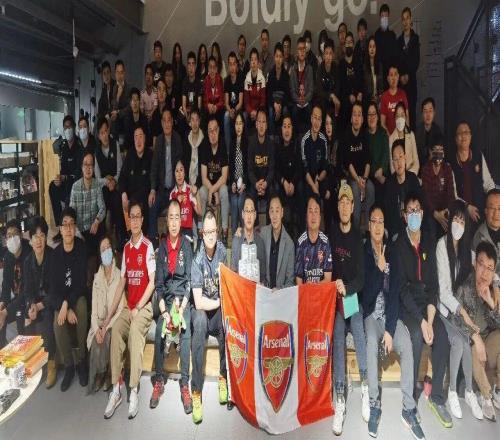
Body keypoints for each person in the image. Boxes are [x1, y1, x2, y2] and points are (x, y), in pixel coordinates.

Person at [362, 205, 425, 439]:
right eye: (374, 221)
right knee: (370, 342)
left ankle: (408, 409)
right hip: (371, 315)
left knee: (406, 343)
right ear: (369, 226)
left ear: (384, 226)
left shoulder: (393, 253)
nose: (378, 226)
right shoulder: (364, 252)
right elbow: (366, 298)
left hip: (390, 317)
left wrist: (390, 330)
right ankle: (374, 403)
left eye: (381, 221)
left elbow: (396, 294)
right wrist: (379, 271)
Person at [394, 192, 452, 428]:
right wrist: (421, 321)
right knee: (417, 336)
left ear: (422, 212)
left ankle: (436, 397)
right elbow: (401, 289)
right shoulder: (398, 244)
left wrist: (429, 318)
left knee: (443, 337)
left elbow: (433, 286)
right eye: (410, 210)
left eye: (417, 209)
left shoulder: (429, 240)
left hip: (427, 301)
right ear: (404, 215)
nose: (414, 214)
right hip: (408, 305)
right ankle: (411, 398)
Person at [103, 200, 155, 420]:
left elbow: (152, 282)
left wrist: (139, 307)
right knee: (116, 330)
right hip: (129, 306)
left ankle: (133, 389)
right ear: (129, 220)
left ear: (142, 220)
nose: (134, 220)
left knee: (134, 332)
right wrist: (109, 317)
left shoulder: (148, 246)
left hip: (144, 306)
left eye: (137, 216)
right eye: (131, 217)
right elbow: (122, 284)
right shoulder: (125, 249)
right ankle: (116, 388)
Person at [436, 200, 484, 420]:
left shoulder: (465, 249)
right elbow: (444, 292)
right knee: (458, 341)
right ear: (450, 221)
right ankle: (453, 391)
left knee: (465, 340)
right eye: (455, 219)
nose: (458, 224)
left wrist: (495, 279)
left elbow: (481, 263)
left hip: (457, 308)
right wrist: (464, 314)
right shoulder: (441, 246)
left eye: (462, 221)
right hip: (444, 309)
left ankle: (470, 392)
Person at [330, 182, 369, 435]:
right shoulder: (332, 234)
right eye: (341, 202)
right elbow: (327, 270)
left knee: (357, 325)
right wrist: (335, 286)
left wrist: (348, 288)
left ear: (353, 207)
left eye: (348, 203)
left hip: (352, 297)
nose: (345, 207)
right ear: (338, 206)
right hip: (335, 301)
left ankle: (365, 386)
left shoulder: (358, 237)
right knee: (337, 332)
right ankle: (340, 395)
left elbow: (361, 278)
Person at [150, 199, 193, 412]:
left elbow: (190, 282)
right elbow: (158, 285)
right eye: (171, 218)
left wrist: (182, 308)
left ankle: (184, 384)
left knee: (185, 330)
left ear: (181, 220)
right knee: (160, 327)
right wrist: (165, 313)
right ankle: (159, 379)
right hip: (167, 302)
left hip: (183, 301)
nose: (174, 222)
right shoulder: (162, 249)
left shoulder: (187, 245)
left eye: (177, 217)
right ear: (166, 221)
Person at [190, 210, 229, 423]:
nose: (211, 235)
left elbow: (228, 284)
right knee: (199, 322)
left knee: (226, 320)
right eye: (207, 231)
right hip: (202, 310)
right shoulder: (197, 260)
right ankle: (196, 391)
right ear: (202, 233)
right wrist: (219, 302)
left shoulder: (222, 252)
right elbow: (198, 302)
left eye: (214, 231)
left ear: (217, 232)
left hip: (216, 309)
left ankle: (223, 376)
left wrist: (222, 305)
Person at [456, 241, 500, 421]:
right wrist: (475, 337)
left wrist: (491, 302)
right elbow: (455, 320)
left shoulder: (494, 292)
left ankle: (497, 388)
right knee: (474, 347)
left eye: (490, 268)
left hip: (488, 345)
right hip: (471, 346)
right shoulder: (464, 289)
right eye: (481, 264)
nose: (485, 272)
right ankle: (487, 397)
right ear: (475, 264)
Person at [49, 207, 88, 392]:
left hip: (77, 297)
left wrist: (68, 304)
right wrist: (63, 305)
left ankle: (81, 361)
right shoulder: (55, 255)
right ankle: (69, 365)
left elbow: (80, 283)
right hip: (62, 301)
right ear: (60, 228)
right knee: (58, 322)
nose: (68, 228)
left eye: (72, 224)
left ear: (75, 227)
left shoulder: (81, 248)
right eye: (65, 224)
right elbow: (53, 289)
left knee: (81, 306)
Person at [87, 236, 124, 393]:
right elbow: (94, 311)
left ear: (113, 250)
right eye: (103, 249)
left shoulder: (119, 275)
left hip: (113, 321)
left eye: (108, 247)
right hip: (99, 322)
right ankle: (100, 373)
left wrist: (106, 327)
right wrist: (96, 329)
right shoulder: (97, 278)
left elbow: (120, 308)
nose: (106, 251)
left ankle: (109, 373)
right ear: (100, 254)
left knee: (108, 336)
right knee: (97, 340)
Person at [22, 217, 56, 388]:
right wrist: (31, 306)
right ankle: (33, 364)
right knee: (26, 320)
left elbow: (56, 290)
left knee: (46, 320)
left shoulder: (53, 257)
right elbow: (27, 290)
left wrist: (40, 305)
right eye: (35, 236)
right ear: (30, 240)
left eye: (42, 235)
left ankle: (51, 364)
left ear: (46, 237)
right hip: (36, 303)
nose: (39, 240)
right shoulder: (28, 262)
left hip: (51, 302)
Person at [148, 108, 184, 243]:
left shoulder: (177, 139)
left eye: (169, 120)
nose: (167, 123)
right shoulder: (158, 141)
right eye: (165, 121)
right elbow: (154, 167)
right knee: (152, 207)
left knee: (175, 212)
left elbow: (181, 166)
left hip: (174, 190)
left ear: (172, 122)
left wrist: (180, 189)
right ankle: (153, 243)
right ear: (162, 123)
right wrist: (153, 189)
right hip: (162, 190)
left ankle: (173, 242)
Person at [450, 121, 495, 225]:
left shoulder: (478, 156)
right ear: (456, 139)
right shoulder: (450, 162)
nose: (463, 136)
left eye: (466, 132)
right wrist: (467, 207)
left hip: (480, 210)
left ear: (470, 136)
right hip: (460, 213)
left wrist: (494, 198)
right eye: (460, 133)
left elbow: (488, 183)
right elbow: (452, 194)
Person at [341, 101, 375, 227]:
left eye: (359, 115)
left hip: (363, 177)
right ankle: (355, 228)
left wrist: (364, 179)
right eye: (354, 115)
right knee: (355, 189)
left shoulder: (364, 135)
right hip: (352, 177)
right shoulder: (346, 136)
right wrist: (358, 180)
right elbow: (348, 163)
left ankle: (368, 227)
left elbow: (368, 161)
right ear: (351, 118)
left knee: (371, 188)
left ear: (362, 119)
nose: (356, 118)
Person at [94, 117, 126, 246]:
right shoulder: (96, 151)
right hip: (103, 187)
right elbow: (97, 177)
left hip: (116, 185)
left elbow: (120, 170)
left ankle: (121, 237)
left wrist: (114, 181)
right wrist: (107, 182)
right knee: (102, 202)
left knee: (117, 200)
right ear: (98, 135)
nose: (104, 135)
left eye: (106, 131)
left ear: (108, 130)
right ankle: (102, 240)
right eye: (101, 133)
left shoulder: (115, 144)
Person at [70, 152, 106, 261]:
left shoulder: (97, 185)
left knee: (101, 246)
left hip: (93, 229)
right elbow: (71, 214)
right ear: (81, 167)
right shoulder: (75, 187)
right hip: (79, 231)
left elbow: (102, 208)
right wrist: (77, 234)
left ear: (94, 168)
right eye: (85, 164)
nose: (88, 168)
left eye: (91, 165)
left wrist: (97, 221)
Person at [49, 115, 84, 227]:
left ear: (74, 128)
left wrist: (66, 177)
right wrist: (59, 179)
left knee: (69, 192)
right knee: (52, 187)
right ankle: (60, 224)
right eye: (65, 127)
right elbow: (63, 169)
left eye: (69, 127)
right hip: (66, 182)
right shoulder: (64, 147)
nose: (67, 130)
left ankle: (70, 225)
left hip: (76, 182)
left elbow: (79, 172)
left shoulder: (80, 146)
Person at [0, 220, 31, 347]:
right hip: (16, 300)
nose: (12, 238)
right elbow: (6, 284)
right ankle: (2, 352)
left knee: (20, 320)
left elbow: (27, 290)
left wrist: (6, 311)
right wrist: (2, 304)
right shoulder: (8, 256)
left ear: (21, 235)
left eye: (15, 234)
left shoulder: (29, 253)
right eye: (9, 235)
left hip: (29, 299)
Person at [199, 117, 230, 244]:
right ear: (207, 133)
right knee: (201, 192)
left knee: (224, 191)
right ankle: (201, 230)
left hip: (219, 185)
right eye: (210, 131)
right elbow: (203, 177)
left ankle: (224, 231)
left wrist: (214, 190)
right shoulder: (204, 146)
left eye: (215, 130)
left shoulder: (223, 145)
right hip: (208, 185)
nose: (212, 134)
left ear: (218, 130)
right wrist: (211, 191)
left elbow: (224, 177)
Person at [119, 126, 152, 236]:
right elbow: (122, 177)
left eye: (140, 136)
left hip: (143, 196)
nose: (138, 140)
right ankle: (125, 237)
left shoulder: (150, 155)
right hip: (129, 196)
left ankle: (142, 236)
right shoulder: (130, 154)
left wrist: (132, 200)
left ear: (145, 138)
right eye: (136, 137)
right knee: (118, 200)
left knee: (144, 204)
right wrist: (123, 193)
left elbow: (148, 184)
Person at [385, 140, 421, 240]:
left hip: (413, 227)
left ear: (405, 158)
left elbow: (420, 205)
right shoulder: (389, 184)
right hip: (396, 232)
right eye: (395, 159)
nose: (398, 162)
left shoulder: (413, 179)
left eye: (400, 157)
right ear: (392, 163)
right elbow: (388, 214)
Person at [275, 115, 304, 238]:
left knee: (301, 187)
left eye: (289, 126)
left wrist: (292, 183)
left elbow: (300, 168)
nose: (286, 130)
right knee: (276, 188)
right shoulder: (277, 146)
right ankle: (278, 230)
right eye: (284, 127)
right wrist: (284, 182)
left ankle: (302, 231)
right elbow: (275, 170)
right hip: (283, 184)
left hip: (294, 184)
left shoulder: (297, 145)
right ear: (281, 129)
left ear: (292, 129)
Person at [422, 140, 457, 237]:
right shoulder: (425, 169)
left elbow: (451, 193)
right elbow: (426, 196)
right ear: (430, 152)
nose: (438, 153)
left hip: (445, 210)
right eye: (436, 150)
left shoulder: (447, 168)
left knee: (449, 224)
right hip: (431, 212)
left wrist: (445, 211)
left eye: (441, 150)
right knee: (430, 225)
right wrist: (436, 214)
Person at [295, 195, 332, 284]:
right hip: (305, 290)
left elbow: (328, 279)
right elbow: (298, 281)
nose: (313, 215)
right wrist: (307, 288)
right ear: (306, 216)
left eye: (316, 211)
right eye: (310, 211)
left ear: (320, 216)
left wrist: (314, 287)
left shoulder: (325, 242)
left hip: (321, 291)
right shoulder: (301, 242)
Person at [260, 195, 295, 289]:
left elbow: (290, 281)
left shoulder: (289, 244)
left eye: (277, 211)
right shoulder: (263, 234)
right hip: (264, 291)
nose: (274, 216)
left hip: (281, 294)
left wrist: (279, 290)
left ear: (282, 212)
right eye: (272, 211)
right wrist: (242, 232)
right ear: (269, 213)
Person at [230, 196, 266, 284]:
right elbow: (233, 273)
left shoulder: (260, 242)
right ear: (242, 214)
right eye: (246, 211)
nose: (249, 216)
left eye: (251, 211)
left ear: (255, 215)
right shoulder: (236, 240)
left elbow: (263, 276)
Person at [247, 108, 275, 211]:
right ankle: (255, 221)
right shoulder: (251, 143)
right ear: (256, 124)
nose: (261, 125)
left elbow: (272, 170)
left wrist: (265, 184)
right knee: (251, 193)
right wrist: (256, 184)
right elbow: (250, 170)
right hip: (255, 183)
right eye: (259, 121)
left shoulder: (271, 144)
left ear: (267, 125)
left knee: (272, 192)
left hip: (266, 183)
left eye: (264, 122)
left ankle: (269, 221)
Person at [398, 7, 420, 131]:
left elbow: (416, 61)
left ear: (410, 19)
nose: (405, 21)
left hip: (411, 83)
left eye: (407, 18)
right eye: (403, 19)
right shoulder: (398, 40)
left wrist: (408, 75)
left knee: (412, 114)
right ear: (401, 21)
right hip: (401, 84)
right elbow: (397, 62)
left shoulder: (415, 39)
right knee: (401, 115)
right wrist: (401, 76)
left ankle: (412, 140)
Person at [301, 105, 328, 205]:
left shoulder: (323, 139)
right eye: (315, 118)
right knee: (309, 193)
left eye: (319, 119)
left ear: (321, 121)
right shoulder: (304, 140)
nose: (317, 122)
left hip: (320, 177)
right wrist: (314, 186)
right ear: (311, 119)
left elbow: (325, 166)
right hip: (308, 179)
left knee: (328, 193)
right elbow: (305, 169)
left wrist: (318, 180)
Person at [338, 32, 363, 131]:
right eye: (347, 42)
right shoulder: (341, 64)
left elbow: (362, 80)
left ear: (353, 44)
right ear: (344, 45)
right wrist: (349, 95)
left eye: (350, 42)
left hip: (358, 98)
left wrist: (360, 92)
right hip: (346, 99)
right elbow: (341, 85)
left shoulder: (358, 62)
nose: (348, 44)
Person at [169, 160, 201, 238]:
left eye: (181, 170)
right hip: (175, 230)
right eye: (177, 171)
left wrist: (197, 193)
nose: (179, 174)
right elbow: (169, 218)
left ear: (184, 173)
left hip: (187, 231)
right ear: (174, 174)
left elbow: (199, 212)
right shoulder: (172, 194)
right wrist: (177, 202)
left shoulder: (189, 190)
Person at [229, 112, 248, 235]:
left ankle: (244, 234)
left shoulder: (247, 142)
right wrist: (232, 183)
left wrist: (244, 184)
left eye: (240, 123)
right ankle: (234, 236)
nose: (238, 127)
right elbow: (230, 167)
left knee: (240, 201)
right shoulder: (232, 143)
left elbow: (249, 167)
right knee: (233, 201)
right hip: (234, 183)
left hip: (245, 183)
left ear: (244, 125)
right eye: (236, 123)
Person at [290, 36, 314, 134]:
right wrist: (298, 100)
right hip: (297, 102)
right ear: (297, 51)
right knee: (294, 111)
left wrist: (305, 99)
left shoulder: (309, 68)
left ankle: (309, 136)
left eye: (304, 49)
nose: (302, 51)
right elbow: (292, 90)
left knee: (310, 110)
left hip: (307, 101)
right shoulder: (293, 69)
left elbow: (311, 89)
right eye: (300, 49)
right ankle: (296, 138)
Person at [367, 102, 389, 205]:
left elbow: (386, 154)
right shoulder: (364, 135)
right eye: (369, 114)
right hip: (370, 175)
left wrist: (381, 170)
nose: (371, 117)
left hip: (382, 173)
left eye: (374, 114)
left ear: (378, 116)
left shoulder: (383, 133)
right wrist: (376, 174)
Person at [388, 101, 419, 175]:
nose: (400, 118)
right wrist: (401, 177)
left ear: (405, 117)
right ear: (394, 118)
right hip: (398, 177)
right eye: (397, 116)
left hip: (412, 175)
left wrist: (409, 176)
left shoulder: (411, 135)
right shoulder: (391, 139)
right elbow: (392, 168)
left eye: (402, 115)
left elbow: (416, 162)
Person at [473, 189, 500, 273]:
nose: (496, 213)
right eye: (492, 208)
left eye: (499, 208)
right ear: (486, 211)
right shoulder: (479, 237)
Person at [266, 42, 290, 136]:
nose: (278, 59)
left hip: (282, 103)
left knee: (285, 110)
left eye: (280, 56)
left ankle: (285, 136)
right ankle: (271, 136)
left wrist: (280, 105)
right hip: (273, 103)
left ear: (283, 58)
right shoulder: (271, 74)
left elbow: (287, 95)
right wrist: (275, 104)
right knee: (271, 111)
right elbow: (268, 94)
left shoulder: (286, 75)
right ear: (274, 57)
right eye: (277, 56)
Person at [314, 38, 340, 118]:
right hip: (323, 100)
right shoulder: (319, 69)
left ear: (333, 55)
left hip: (333, 100)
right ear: (323, 55)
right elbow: (319, 91)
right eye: (326, 53)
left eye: (330, 53)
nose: (328, 56)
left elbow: (338, 87)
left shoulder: (336, 68)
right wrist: (331, 95)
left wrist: (333, 96)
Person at [223, 51, 244, 151]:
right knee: (226, 116)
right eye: (230, 64)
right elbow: (226, 102)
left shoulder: (240, 79)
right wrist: (230, 110)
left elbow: (240, 102)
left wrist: (234, 110)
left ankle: (240, 149)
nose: (232, 67)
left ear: (236, 65)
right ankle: (228, 151)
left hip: (238, 109)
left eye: (234, 64)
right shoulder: (226, 80)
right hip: (230, 110)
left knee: (242, 117)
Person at [380, 65, 409, 135]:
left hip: (402, 135)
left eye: (395, 74)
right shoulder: (384, 97)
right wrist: (390, 137)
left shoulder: (403, 94)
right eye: (391, 75)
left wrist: (406, 134)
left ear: (398, 77)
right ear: (388, 79)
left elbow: (407, 117)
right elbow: (382, 123)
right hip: (389, 136)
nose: (393, 78)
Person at [415, 97, 443, 165]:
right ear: (422, 114)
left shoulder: (438, 131)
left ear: (434, 113)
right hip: (419, 166)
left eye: (430, 111)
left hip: (434, 166)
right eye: (425, 111)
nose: (428, 114)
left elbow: (437, 155)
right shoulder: (417, 131)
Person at [374, 3, 399, 80]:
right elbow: (375, 57)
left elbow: (395, 57)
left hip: (391, 75)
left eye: (386, 16)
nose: (384, 18)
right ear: (380, 17)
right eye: (382, 16)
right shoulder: (376, 35)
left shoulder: (392, 35)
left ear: (388, 17)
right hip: (379, 75)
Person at [244, 48, 266, 128]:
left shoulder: (262, 78)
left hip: (259, 110)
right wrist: (251, 111)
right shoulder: (247, 79)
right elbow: (246, 102)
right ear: (250, 62)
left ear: (258, 62)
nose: (253, 62)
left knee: (261, 117)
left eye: (255, 59)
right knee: (244, 116)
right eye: (252, 60)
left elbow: (263, 100)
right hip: (250, 111)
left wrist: (257, 112)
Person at [110, 60, 131, 143]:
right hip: (117, 119)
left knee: (127, 118)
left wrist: (118, 112)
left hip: (126, 117)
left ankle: (126, 146)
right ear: (115, 74)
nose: (120, 76)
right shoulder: (114, 88)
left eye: (121, 72)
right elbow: (113, 108)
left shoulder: (129, 88)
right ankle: (116, 146)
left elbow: (129, 108)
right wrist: (118, 96)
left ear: (124, 73)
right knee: (113, 119)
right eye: (118, 73)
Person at [180, 51, 202, 133]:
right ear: (187, 66)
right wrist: (187, 116)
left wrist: (194, 118)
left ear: (195, 66)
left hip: (195, 112)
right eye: (189, 64)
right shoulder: (184, 82)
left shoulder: (199, 83)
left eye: (193, 64)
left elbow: (199, 106)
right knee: (180, 117)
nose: (191, 67)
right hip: (187, 111)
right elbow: (183, 104)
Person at [123, 87, 149, 152]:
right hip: (131, 152)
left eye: (137, 100)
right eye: (133, 100)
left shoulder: (144, 119)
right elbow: (126, 142)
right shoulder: (127, 120)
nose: (135, 103)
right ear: (130, 103)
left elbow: (147, 140)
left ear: (139, 102)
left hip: (142, 151)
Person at [203, 56, 224, 128]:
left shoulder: (220, 79)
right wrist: (208, 105)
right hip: (209, 110)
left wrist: (216, 107)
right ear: (208, 68)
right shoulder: (206, 80)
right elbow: (205, 101)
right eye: (210, 67)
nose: (212, 70)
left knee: (221, 112)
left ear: (216, 69)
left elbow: (222, 100)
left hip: (218, 109)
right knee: (204, 112)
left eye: (214, 67)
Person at [363, 37, 384, 106]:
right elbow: (363, 88)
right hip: (367, 101)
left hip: (378, 100)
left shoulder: (380, 65)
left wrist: (379, 97)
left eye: (374, 47)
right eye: (370, 47)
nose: (372, 49)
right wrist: (371, 99)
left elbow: (381, 86)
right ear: (367, 49)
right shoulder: (364, 66)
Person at [151, 78, 168, 143]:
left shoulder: (170, 111)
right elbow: (154, 136)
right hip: (158, 146)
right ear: (156, 92)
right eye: (159, 89)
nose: (161, 92)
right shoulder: (155, 114)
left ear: (166, 93)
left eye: (164, 90)